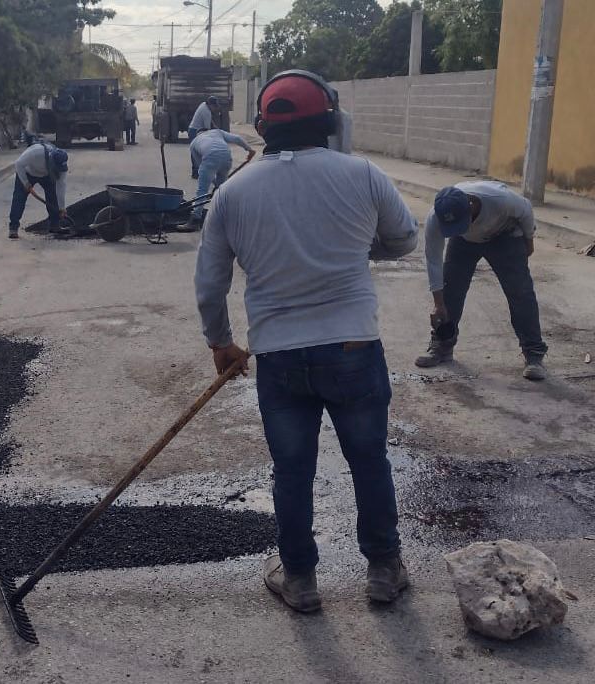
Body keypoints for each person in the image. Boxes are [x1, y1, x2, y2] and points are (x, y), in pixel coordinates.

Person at [194, 70, 418, 613]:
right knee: (369, 462)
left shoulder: (232, 193)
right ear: (330, 119)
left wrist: (221, 343)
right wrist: (359, 254)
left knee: (292, 471)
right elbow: (405, 239)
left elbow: (209, 284)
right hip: (353, 350)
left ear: (263, 125)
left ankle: (300, 581)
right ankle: (384, 572)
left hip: (278, 356)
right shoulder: (363, 174)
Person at [415, 182, 547, 380]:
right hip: (465, 243)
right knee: (450, 289)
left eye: (459, 224)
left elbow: (526, 209)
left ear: (470, 205)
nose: (455, 229)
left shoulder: (500, 200)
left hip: (504, 235)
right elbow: (433, 260)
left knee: (520, 292)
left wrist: (529, 241)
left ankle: (534, 354)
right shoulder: (437, 217)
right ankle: (442, 346)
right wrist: (438, 304)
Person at [185, 128, 254, 230]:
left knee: (202, 191)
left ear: (198, 134)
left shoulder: (194, 142)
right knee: (222, 190)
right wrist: (249, 149)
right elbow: (237, 138)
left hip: (210, 157)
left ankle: (195, 219)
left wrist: (213, 181)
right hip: (226, 156)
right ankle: (225, 219)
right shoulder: (217, 132)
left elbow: (200, 166)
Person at [9, 141, 68, 239]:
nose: (59, 170)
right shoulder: (36, 153)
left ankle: (55, 225)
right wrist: (26, 183)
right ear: (51, 160)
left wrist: (62, 208)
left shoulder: (61, 166)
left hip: (47, 176)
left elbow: (61, 186)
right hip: (27, 173)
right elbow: (18, 164)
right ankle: (13, 228)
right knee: (19, 199)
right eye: (56, 168)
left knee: (53, 197)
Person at [188, 96, 221, 177]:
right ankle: (196, 172)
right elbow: (207, 129)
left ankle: (199, 171)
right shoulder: (207, 113)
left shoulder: (203, 104)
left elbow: (210, 122)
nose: (215, 108)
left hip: (193, 129)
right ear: (210, 105)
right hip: (195, 132)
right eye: (214, 106)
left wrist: (215, 126)